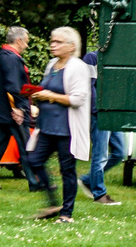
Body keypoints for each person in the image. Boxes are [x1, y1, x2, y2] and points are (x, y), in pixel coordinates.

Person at [26, 26, 92, 222]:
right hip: (46, 126)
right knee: (33, 160)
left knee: (67, 170)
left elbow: (78, 99)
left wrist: (50, 96)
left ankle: (66, 214)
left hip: (66, 128)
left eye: (58, 42)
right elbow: (48, 90)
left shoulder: (78, 67)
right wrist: (37, 95)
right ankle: (53, 202)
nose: (52, 45)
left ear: (71, 46)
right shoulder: (52, 64)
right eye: (52, 41)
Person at [0, 26, 45, 192]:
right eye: (26, 42)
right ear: (18, 41)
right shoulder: (12, 59)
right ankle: (35, 183)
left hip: (2, 111)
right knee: (26, 146)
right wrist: (19, 108)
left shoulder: (1, 56)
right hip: (12, 113)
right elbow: (13, 86)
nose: (27, 46)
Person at [79, 49, 123, 206]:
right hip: (99, 113)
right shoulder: (92, 58)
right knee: (101, 154)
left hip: (114, 113)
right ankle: (99, 194)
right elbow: (88, 86)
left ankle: (86, 180)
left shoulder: (119, 59)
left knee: (119, 152)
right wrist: (98, 110)